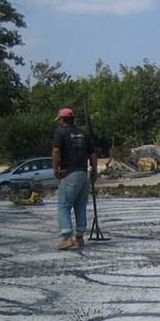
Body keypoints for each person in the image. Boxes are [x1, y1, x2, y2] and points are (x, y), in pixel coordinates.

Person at [51, 107, 98, 250]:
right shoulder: (83, 133)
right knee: (80, 205)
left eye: (59, 119)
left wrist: (55, 169)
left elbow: (56, 150)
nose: (58, 122)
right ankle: (79, 237)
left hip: (69, 173)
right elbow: (93, 154)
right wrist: (94, 171)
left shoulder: (61, 132)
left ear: (62, 120)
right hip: (83, 173)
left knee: (64, 205)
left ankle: (67, 237)